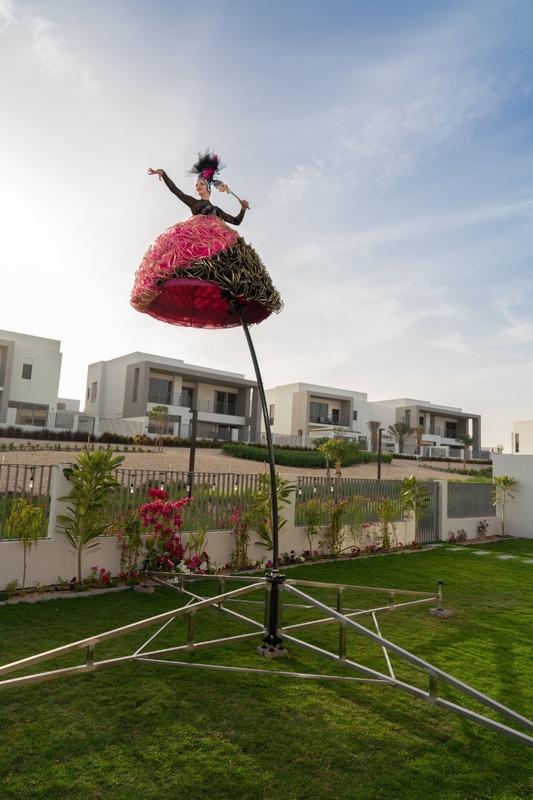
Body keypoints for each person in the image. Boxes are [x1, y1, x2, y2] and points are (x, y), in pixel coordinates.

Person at [131, 151, 282, 329]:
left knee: (227, 264)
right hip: (198, 239)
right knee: (187, 260)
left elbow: (236, 221)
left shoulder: (217, 210)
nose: (198, 186)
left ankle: (231, 292)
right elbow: (176, 192)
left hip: (220, 241)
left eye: (201, 184)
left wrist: (242, 209)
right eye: (197, 184)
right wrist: (163, 174)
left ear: (208, 188)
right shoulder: (195, 204)